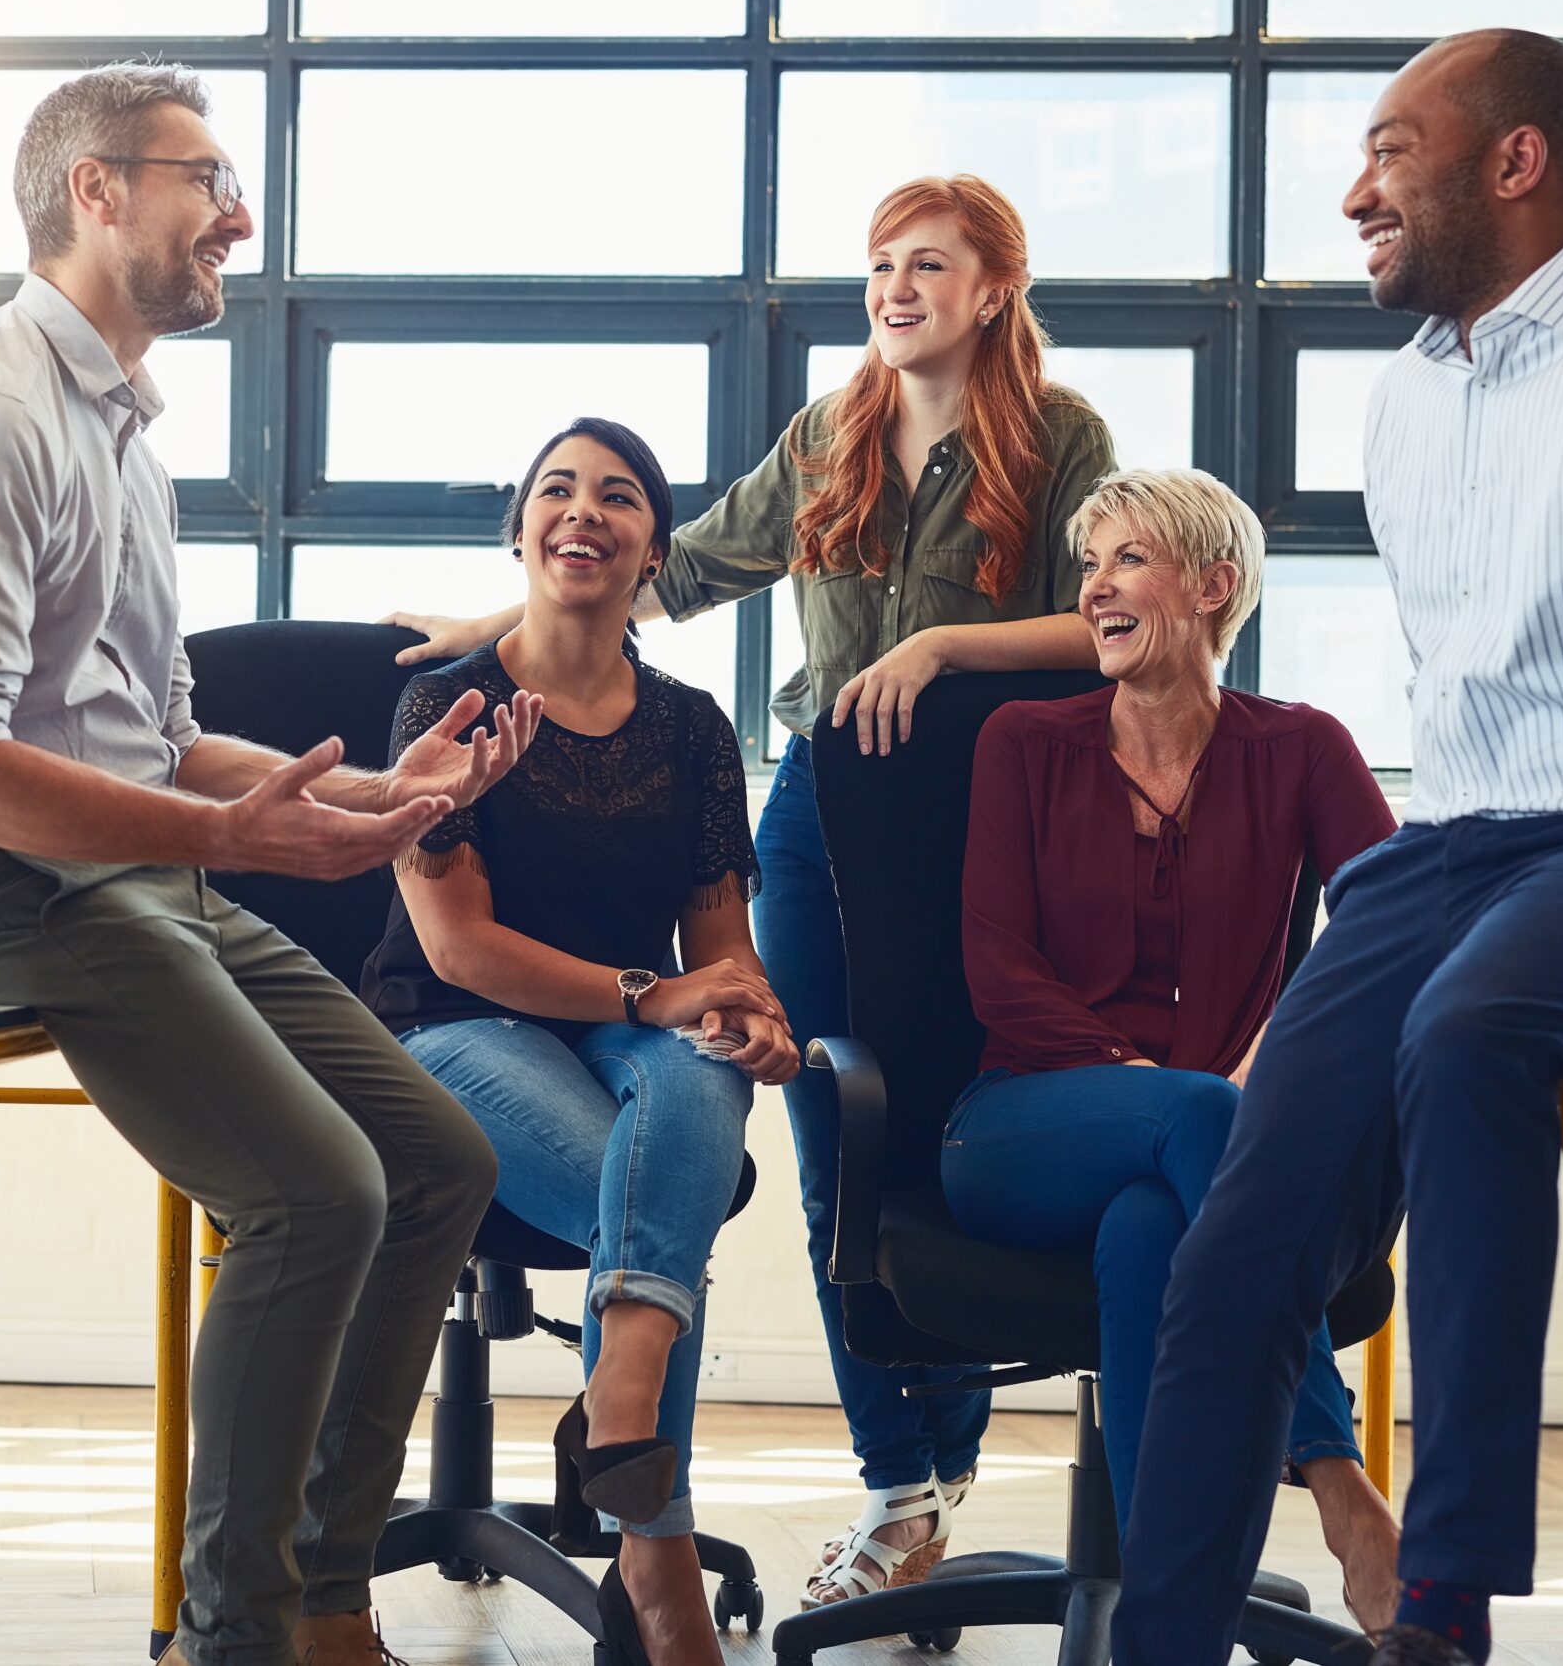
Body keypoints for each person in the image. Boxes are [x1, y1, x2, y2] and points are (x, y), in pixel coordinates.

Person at [1107, 31, 1563, 1666]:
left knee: (1476, 1031)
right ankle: (1160, 1638)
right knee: (1241, 1231)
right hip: (1448, 848)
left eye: (1391, 152)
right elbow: (1463, 691)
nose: (1354, 191)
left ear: (1517, 164)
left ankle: (1438, 1608)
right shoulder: (1409, 400)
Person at [0, 63, 545, 1666]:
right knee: (314, 1192)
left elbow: (154, 734)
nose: (241, 211)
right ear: (93, 189)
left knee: (437, 1161)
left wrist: (376, 806)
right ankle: (244, 1635)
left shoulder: (121, 440)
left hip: (132, 878)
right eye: (205, 174)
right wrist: (220, 837)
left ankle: (326, 1585)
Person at [384, 175, 1115, 1603]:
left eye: (928, 265)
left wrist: (948, 651)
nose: (896, 288)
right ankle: (897, 1482)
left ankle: (931, 1468)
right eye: (880, 265)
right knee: (836, 1131)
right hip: (824, 823)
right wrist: (497, 623)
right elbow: (684, 562)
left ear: (992, 291)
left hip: (983, 832)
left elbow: (1108, 616)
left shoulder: (1061, 438)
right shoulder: (829, 436)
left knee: (942, 1140)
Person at [364, 416, 800, 1666]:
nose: (583, 512)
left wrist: (747, 1014)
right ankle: (656, 1561)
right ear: (519, 532)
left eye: (618, 497)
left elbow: (722, 948)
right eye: (557, 490)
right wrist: (652, 994)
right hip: (452, 1030)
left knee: (705, 1065)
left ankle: (620, 1400)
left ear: (653, 548)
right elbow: (456, 949)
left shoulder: (694, 728)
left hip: (627, 1034)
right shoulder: (442, 703)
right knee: (670, 1182)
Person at [948, 468, 1401, 1631]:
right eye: (1090, 565)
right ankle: (1337, 1474)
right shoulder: (1024, 741)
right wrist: (1161, 1088)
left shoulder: (1301, 748)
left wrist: (1274, 1064)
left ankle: (1169, 1628)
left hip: (1202, 1155)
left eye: (1126, 560)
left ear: (1212, 586)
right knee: (1198, 1122)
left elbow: (1393, 929)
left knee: (1155, 1231)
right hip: (1020, 1127)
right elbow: (996, 970)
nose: (1095, 587)